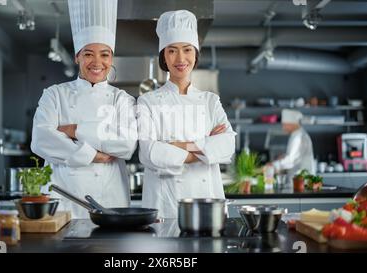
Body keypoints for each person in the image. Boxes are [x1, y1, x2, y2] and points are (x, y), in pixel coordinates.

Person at [31, 0, 137, 218]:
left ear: (111, 58)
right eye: (88, 53)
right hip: (65, 200)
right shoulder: (54, 94)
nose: (96, 62)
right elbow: (41, 140)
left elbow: (126, 145)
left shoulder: (122, 100)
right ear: (77, 56)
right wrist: (93, 155)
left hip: (109, 200)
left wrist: (73, 130)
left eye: (104, 54)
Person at [137, 10, 236, 218]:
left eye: (187, 50)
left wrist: (178, 146)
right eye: (172, 50)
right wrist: (205, 148)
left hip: (207, 202)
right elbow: (149, 153)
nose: (180, 58)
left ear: (195, 53)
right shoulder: (148, 101)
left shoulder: (210, 101)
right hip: (166, 206)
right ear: (164, 56)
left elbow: (227, 146)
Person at [267, 109, 315, 183]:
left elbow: (290, 160)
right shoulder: (297, 134)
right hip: (298, 179)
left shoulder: (298, 137)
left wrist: (274, 165)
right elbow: (295, 156)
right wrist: (283, 157)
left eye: (284, 125)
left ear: (291, 123)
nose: (283, 128)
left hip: (302, 180)